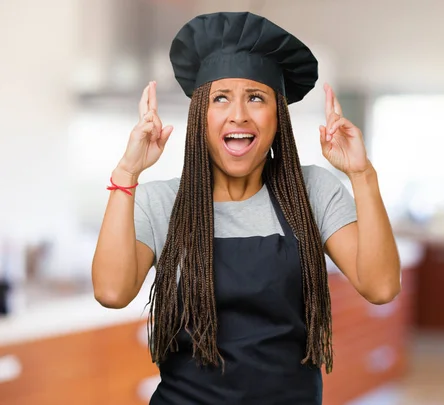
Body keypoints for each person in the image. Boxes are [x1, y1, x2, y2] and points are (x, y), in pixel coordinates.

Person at [92, 11, 400, 405]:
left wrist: (362, 174)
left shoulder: (311, 193)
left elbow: (382, 286)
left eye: (256, 97)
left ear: (278, 117)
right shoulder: (161, 202)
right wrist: (127, 172)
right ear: (201, 116)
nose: (238, 114)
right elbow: (112, 292)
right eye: (221, 98)